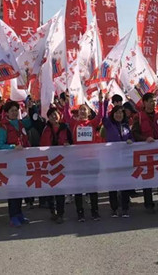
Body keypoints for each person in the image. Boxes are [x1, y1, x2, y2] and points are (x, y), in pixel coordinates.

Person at [63, 91, 104, 221]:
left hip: (92, 160)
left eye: (84, 110)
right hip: (78, 161)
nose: (82, 111)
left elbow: (101, 116)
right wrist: (67, 103)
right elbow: (66, 115)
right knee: (79, 188)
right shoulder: (74, 123)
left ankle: (95, 211)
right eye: (80, 110)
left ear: (89, 112)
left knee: (92, 188)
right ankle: (80, 213)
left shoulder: (92, 123)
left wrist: (101, 101)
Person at [0, 100, 32, 227]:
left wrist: (30, 107)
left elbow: (32, 121)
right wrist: (13, 147)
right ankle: (13, 216)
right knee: (13, 190)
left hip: (22, 161)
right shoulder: (4, 127)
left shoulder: (21, 124)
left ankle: (19, 213)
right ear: (6, 113)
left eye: (16, 110)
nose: (14, 113)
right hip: (10, 163)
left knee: (21, 189)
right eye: (11, 111)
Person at [39, 107, 73, 224]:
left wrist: (68, 144)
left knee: (60, 189)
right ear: (48, 118)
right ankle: (52, 211)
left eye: (55, 114)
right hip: (49, 162)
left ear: (60, 115)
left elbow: (72, 142)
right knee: (51, 188)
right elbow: (42, 145)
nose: (54, 117)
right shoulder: (46, 129)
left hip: (62, 162)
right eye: (51, 115)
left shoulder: (66, 128)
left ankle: (60, 213)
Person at [100, 104, 134, 218]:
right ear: (113, 114)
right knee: (113, 185)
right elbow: (103, 116)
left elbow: (131, 137)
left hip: (124, 159)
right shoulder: (109, 125)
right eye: (116, 113)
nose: (119, 115)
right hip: (112, 160)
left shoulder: (126, 126)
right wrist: (104, 101)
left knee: (125, 184)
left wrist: (131, 140)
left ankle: (125, 208)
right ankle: (114, 208)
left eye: (121, 113)